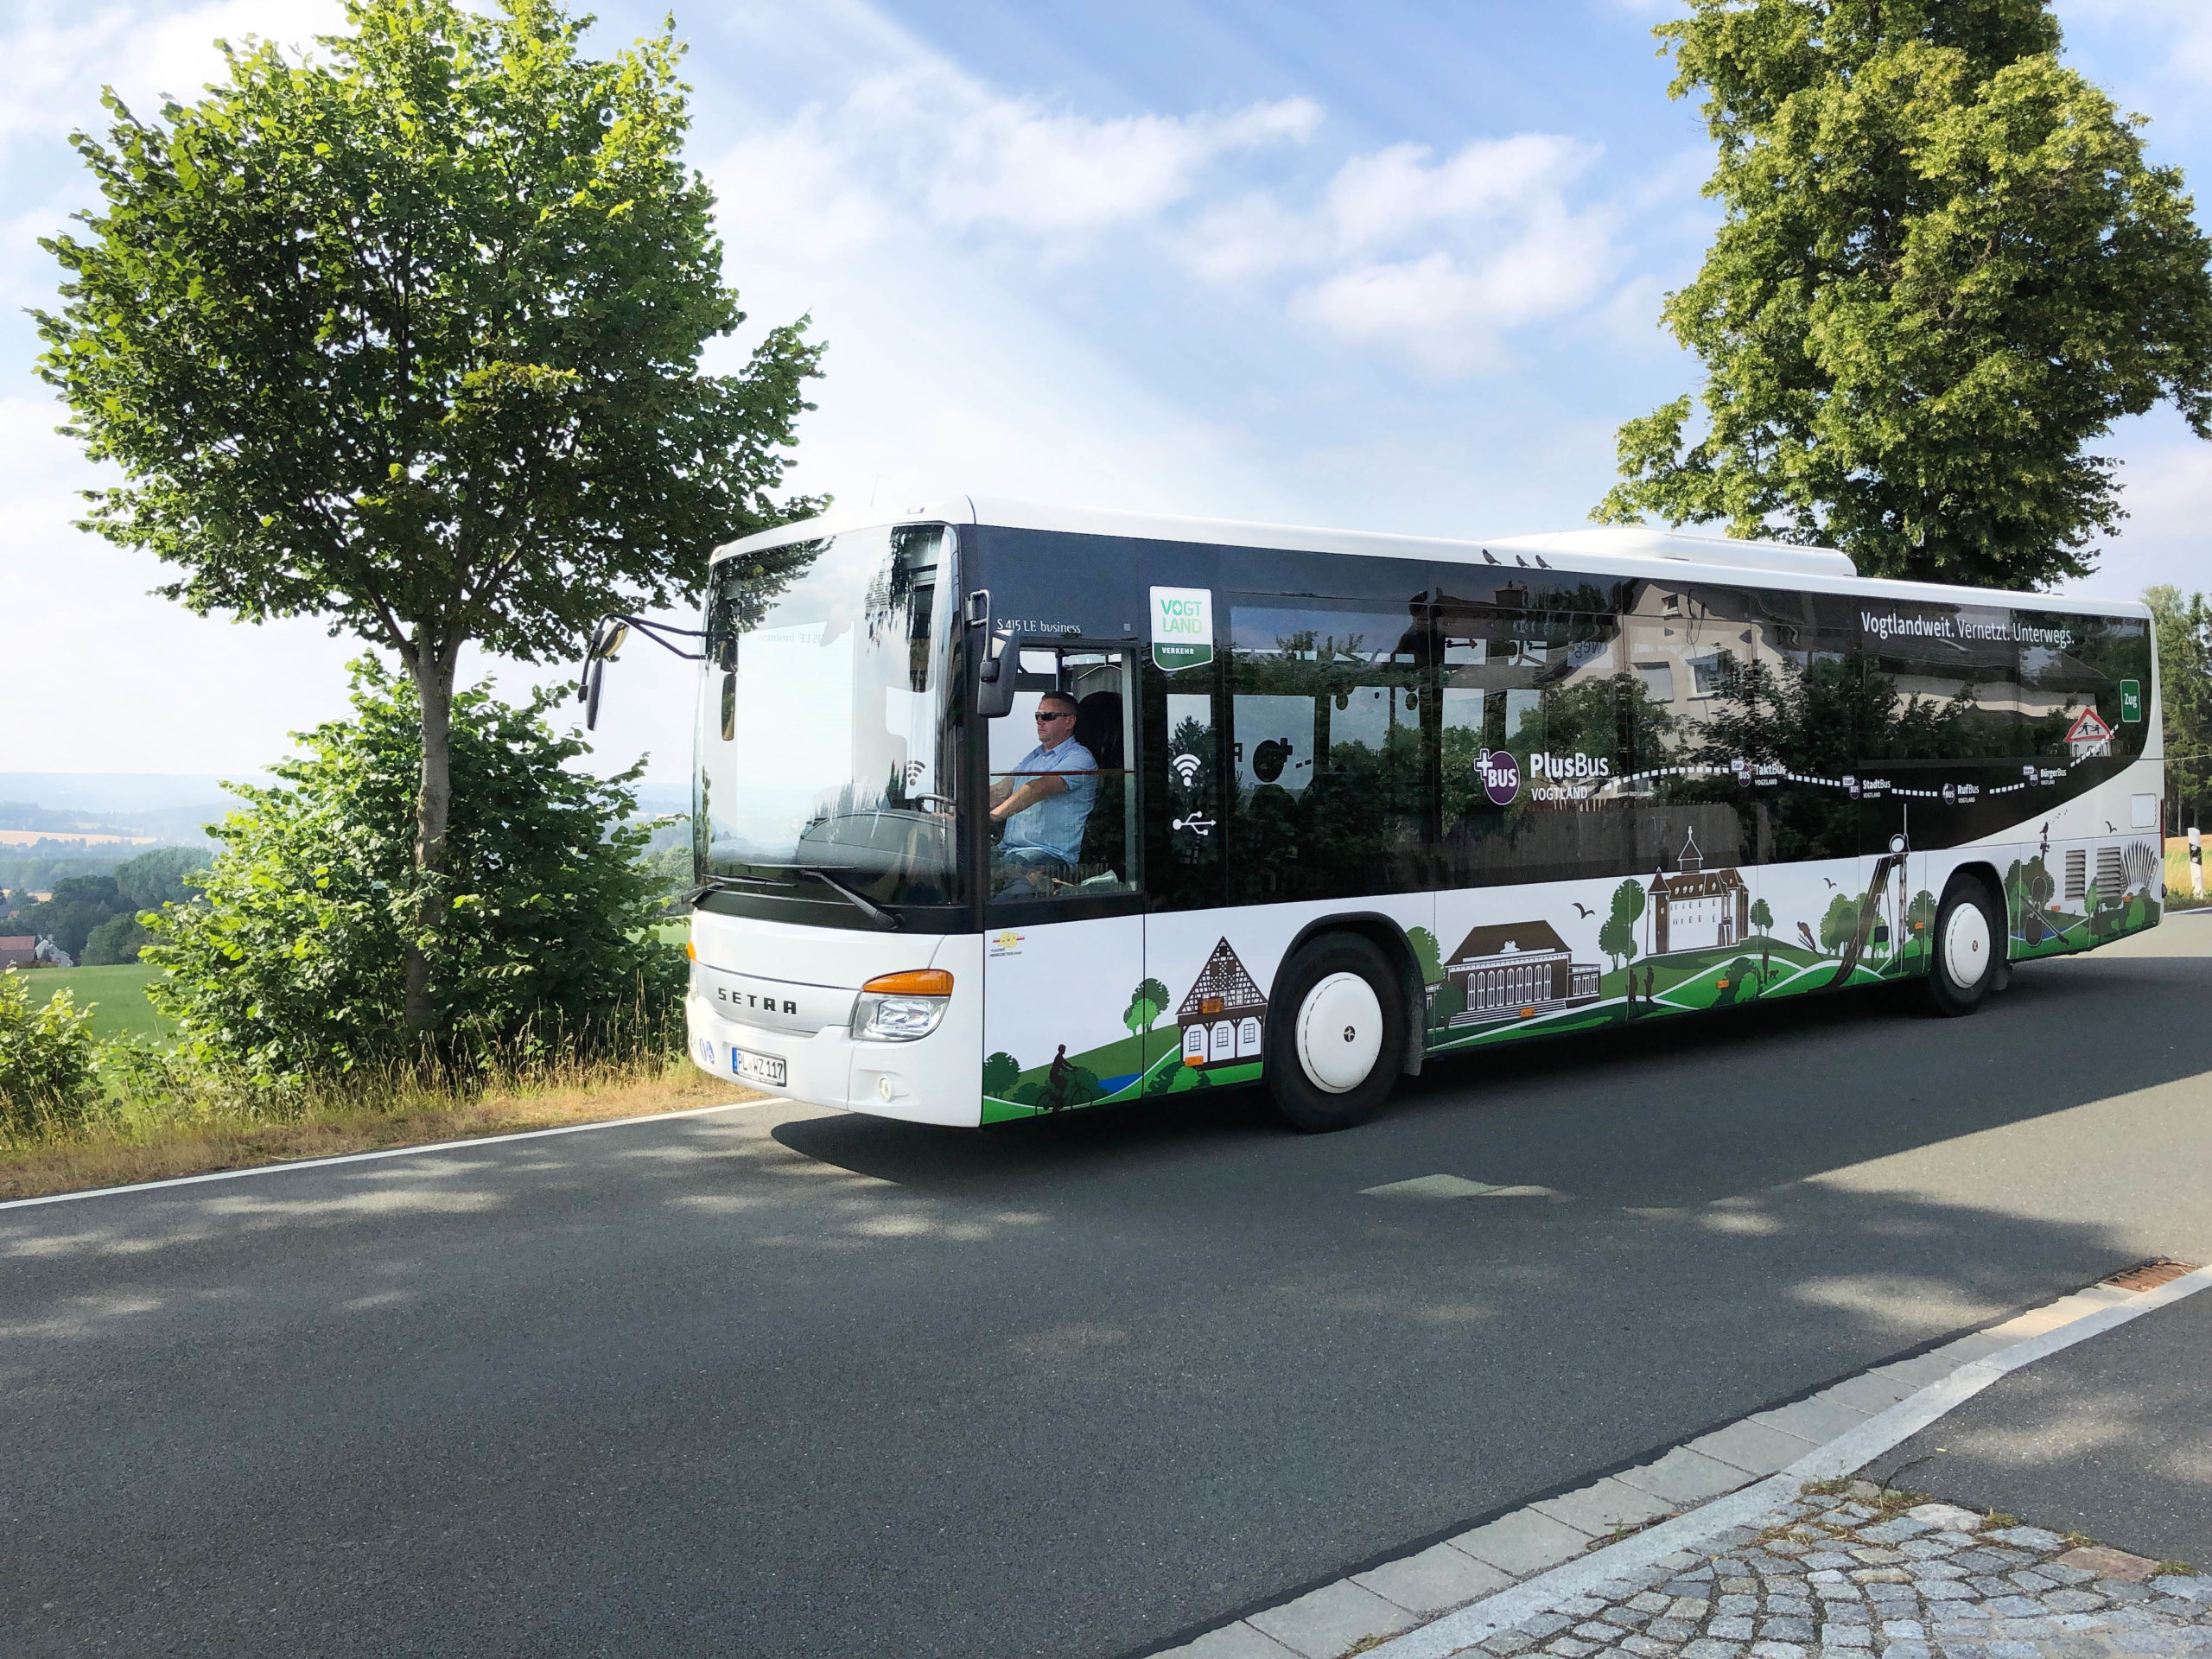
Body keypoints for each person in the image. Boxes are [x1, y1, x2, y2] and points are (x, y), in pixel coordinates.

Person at [991, 690, 1097, 896]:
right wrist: (960, 811)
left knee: (990, 883)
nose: (1040, 722)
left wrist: (993, 815)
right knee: (958, 865)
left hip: (1049, 856)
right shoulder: (1034, 757)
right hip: (1011, 850)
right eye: (1037, 716)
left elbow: (1039, 788)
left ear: (1069, 722)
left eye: (1047, 717)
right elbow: (1002, 790)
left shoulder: (1079, 758)